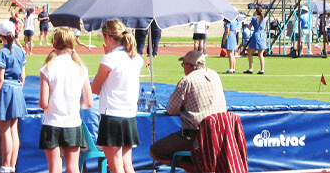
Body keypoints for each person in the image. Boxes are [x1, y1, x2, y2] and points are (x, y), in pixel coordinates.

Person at [149, 50, 227, 166]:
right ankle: (195, 167)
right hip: (220, 134)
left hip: (195, 136)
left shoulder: (187, 80)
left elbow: (171, 109)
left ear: (189, 66)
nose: (183, 68)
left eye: (183, 65)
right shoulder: (214, 75)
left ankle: (191, 169)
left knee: (155, 151)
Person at [38, 28, 94, 173]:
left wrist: (54, 104)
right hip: (72, 123)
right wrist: (72, 105)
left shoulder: (47, 68)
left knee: (54, 168)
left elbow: (44, 102)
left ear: (54, 43)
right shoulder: (81, 68)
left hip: (52, 123)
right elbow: (88, 102)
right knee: (73, 168)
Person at [91, 20, 143, 173]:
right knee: (127, 165)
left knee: (116, 167)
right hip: (129, 115)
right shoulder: (136, 58)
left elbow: (95, 88)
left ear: (107, 36)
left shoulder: (110, 59)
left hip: (112, 115)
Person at [0, 21, 27, 173]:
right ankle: (11, 166)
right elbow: (23, 76)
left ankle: (5, 165)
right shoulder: (20, 51)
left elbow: (0, 78)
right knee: (13, 130)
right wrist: (18, 89)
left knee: (5, 130)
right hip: (17, 90)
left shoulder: (3, 52)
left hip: (6, 91)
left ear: (0, 35)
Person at [245, 6, 266, 74]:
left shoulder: (254, 18)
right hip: (262, 35)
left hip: (256, 34)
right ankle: (262, 69)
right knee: (261, 54)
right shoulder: (264, 19)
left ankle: (251, 68)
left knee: (250, 52)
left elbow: (250, 27)